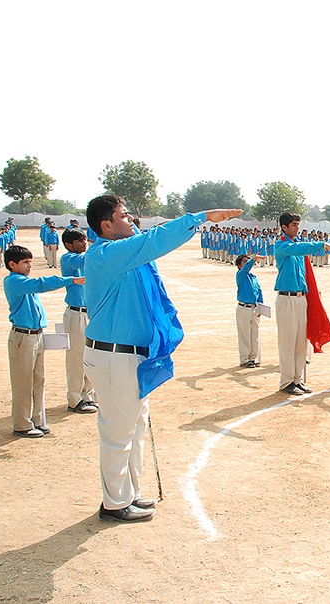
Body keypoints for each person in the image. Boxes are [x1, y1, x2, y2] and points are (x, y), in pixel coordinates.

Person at [84, 194, 241, 522]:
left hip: (131, 358)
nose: (131, 220)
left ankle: (128, 494)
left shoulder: (123, 254)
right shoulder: (105, 255)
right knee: (118, 433)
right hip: (115, 357)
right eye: (124, 216)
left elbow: (149, 242)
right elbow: (156, 240)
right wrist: (200, 217)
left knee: (136, 427)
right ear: (106, 225)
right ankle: (114, 503)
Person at [3, 245, 83, 438]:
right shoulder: (14, 281)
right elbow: (42, 283)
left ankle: (37, 419)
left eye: (30, 262)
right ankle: (22, 423)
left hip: (36, 335)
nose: (29, 266)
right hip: (23, 337)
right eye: (25, 263)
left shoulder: (24, 280)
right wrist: (71, 280)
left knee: (38, 380)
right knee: (23, 382)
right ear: (12, 265)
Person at [275, 212, 330, 395]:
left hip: (301, 298)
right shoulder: (282, 245)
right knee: (288, 341)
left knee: (300, 342)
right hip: (286, 298)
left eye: (298, 224)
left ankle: (297, 379)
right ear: (284, 227)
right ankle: (286, 381)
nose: (297, 228)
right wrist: (320, 244)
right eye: (293, 225)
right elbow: (297, 249)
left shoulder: (298, 247)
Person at [60, 228, 98, 414]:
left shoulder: (87, 259)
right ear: (68, 244)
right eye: (79, 241)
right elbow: (89, 258)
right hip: (76, 314)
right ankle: (74, 398)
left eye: (84, 239)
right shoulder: (68, 259)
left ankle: (87, 395)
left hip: (89, 313)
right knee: (76, 358)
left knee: (90, 356)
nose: (84, 243)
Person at [235, 253, 264, 368]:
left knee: (254, 334)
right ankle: (244, 359)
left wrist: (261, 305)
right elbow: (246, 267)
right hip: (244, 308)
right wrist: (254, 258)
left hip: (254, 308)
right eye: (245, 262)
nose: (248, 263)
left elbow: (259, 291)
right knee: (245, 335)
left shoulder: (253, 277)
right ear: (239, 265)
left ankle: (252, 357)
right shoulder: (241, 274)